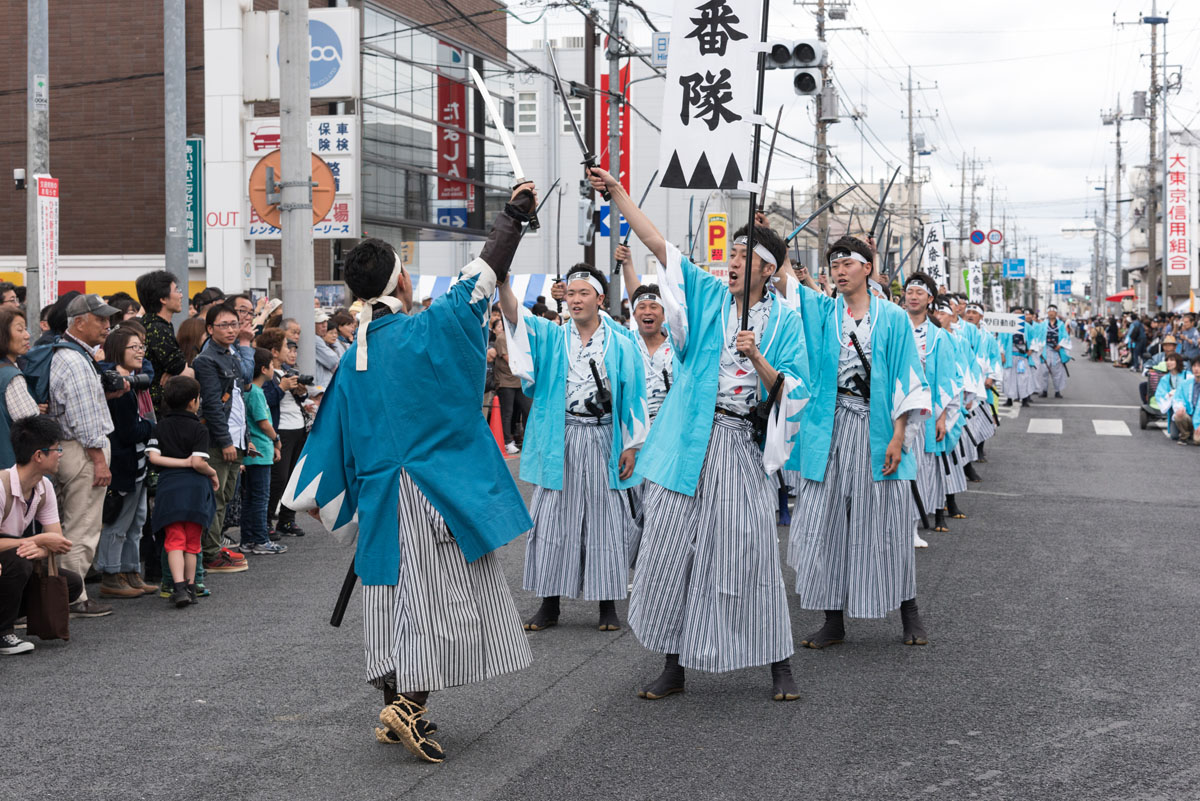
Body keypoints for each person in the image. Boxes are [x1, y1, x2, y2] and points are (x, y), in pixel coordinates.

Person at [282, 183, 539, 763]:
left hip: (380, 495)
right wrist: (514, 215)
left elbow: (333, 438)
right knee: (439, 604)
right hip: (431, 493)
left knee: (394, 600)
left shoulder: (353, 355)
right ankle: (408, 705)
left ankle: (401, 699)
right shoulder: (427, 329)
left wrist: (348, 499)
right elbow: (481, 275)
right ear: (401, 281)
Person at [591, 166, 810, 701]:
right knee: (671, 549)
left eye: (743, 258)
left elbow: (797, 391)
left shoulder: (784, 321)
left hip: (739, 444)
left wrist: (756, 356)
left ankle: (779, 662)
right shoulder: (709, 295)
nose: (732, 263)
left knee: (749, 551)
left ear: (766, 269)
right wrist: (619, 192)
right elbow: (660, 246)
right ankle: (674, 662)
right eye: (732, 255)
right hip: (687, 441)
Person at [785, 234, 931, 651]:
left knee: (886, 522)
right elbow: (783, 278)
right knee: (827, 522)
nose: (840, 270)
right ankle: (833, 620)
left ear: (867, 267)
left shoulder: (894, 318)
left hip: (878, 426)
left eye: (847, 263)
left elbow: (908, 377)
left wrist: (899, 435)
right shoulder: (823, 313)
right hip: (831, 428)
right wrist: (769, 240)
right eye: (834, 265)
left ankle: (909, 610)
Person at [499, 258, 646, 633]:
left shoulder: (622, 341)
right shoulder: (552, 335)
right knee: (552, 519)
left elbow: (634, 396)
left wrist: (632, 445)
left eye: (584, 293)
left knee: (605, 519)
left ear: (600, 298)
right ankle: (549, 604)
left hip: (603, 436)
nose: (576, 300)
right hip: (560, 435)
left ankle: (607, 604)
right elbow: (517, 319)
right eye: (571, 293)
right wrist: (502, 284)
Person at [45, 294, 124, 618]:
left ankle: (67, 594)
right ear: (79, 322)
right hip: (82, 452)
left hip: (72, 449)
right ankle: (74, 598)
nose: (107, 325)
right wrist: (99, 460)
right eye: (100, 319)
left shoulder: (70, 355)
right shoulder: (75, 360)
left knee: (74, 524)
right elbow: (83, 418)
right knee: (82, 526)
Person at [0, 416, 83, 654]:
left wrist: (43, 548)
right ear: (38, 455)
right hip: (8, 562)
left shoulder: (44, 486)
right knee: (19, 562)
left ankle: (8, 616)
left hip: (10, 558)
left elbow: (58, 542)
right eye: (57, 449)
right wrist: (36, 541)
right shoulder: (1, 486)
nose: (60, 454)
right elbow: (45, 539)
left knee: (72, 584)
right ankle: (3, 633)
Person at [95, 327, 158, 599]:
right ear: (117, 349)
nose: (140, 351)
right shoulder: (118, 387)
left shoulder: (133, 382)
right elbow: (129, 431)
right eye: (133, 347)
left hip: (138, 461)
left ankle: (131, 571)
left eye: (141, 346)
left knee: (137, 521)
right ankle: (111, 574)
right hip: (124, 461)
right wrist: (153, 427)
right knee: (119, 521)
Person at [148, 376, 219, 606]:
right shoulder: (199, 428)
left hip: (169, 486)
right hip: (195, 488)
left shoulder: (159, 426)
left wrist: (180, 463)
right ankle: (191, 586)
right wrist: (211, 472)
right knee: (192, 542)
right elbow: (198, 462)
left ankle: (177, 587)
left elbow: (153, 457)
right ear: (193, 401)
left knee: (174, 540)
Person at [191, 303, 249, 575]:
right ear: (210, 329)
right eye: (224, 325)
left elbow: (239, 398)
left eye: (234, 324)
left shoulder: (232, 354)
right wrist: (225, 441)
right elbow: (213, 404)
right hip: (218, 439)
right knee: (215, 497)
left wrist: (243, 439)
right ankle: (210, 553)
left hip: (236, 436)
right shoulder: (206, 359)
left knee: (225, 495)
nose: (231, 330)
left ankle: (213, 549)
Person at [902, 274, 954, 538]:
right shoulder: (892, 323)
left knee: (916, 469)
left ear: (929, 299)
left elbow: (945, 380)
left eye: (919, 293)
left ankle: (911, 526)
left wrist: (941, 417)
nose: (912, 296)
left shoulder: (939, 337)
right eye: (909, 291)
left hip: (922, 413)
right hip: (892, 409)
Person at [240, 348, 285, 555]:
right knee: (260, 497)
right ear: (264, 368)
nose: (274, 369)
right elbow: (263, 423)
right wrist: (276, 439)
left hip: (251, 452)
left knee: (251, 497)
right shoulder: (257, 393)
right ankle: (260, 539)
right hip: (261, 450)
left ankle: (248, 539)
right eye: (272, 365)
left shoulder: (247, 391)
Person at [268, 334, 310, 538]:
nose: (291, 351)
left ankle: (287, 519)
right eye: (287, 347)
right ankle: (266, 521)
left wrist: (300, 391)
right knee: (279, 479)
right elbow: (264, 401)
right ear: (274, 352)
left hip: (298, 428)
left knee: (294, 477)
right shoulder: (268, 375)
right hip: (281, 430)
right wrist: (282, 387)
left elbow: (299, 400)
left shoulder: (287, 371)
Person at [136, 271, 192, 411]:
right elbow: (187, 375)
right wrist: (179, 372)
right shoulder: (158, 329)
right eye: (176, 290)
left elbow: (179, 370)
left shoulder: (150, 324)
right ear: (163, 299)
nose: (181, 295)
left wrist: (176, 373)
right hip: (159, 408)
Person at [0, 308, 40, 468]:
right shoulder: (11, 376)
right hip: (12, 468)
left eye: (26, 329)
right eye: (20, 329)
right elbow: (32, 426)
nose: (27, 335)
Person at [490, 317, 528, 454]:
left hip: (521, 379)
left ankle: (528, 440)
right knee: (507, 413)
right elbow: (509, 359)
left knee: (526, 409)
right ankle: (506, 441)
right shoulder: (502, 338)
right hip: (506, 380)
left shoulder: (520, 337)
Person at [1039, 304, 1071, 398]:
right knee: (1044, 371)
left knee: (1057, 372)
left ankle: (1057, 391)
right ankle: (1044, 390)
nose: (1051, 313)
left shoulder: (1060, 325)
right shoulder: (1043, 324)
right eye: (1049, 311)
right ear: (1047, 312)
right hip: (1045, 350)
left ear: (1056, 313)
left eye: (1053, 312)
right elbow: (1039, 336)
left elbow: (1066, 337)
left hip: (1057, 351)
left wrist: (1060, 345)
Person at [313, 311, 340, 390]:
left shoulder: (319, 339)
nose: (324, 325)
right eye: (320, 322)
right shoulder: (315, 339)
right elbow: (333, 360)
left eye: (325, 321)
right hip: (320, 386)